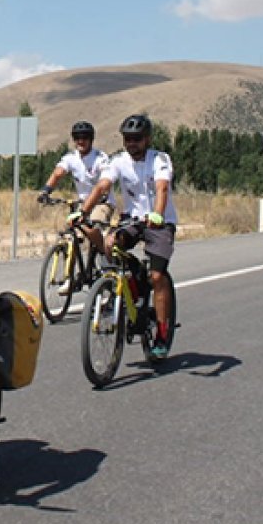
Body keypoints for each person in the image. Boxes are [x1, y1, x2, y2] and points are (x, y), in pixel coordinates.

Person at [79, 114, 178, 360]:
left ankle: (163, 334)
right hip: (132, 219)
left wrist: (157, 214)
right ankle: (130, 288)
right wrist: (82, 213)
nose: (131, 143)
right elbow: (102, 186)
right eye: (127, 139)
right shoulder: (119, 161)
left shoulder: (159, 159)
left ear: (147, 139)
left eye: (136, 139)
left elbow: (162, 187)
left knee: (157, 276)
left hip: (159, 222)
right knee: (111, 245)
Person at [38, 121, 115, 292]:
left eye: (85, 138)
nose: (81, 141)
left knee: (91, 224)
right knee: (71, 235)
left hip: (102, 203)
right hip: (82, 202)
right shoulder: (70, 158)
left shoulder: (100, 158)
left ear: (91, 139)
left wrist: (100, 196)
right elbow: (58, 173)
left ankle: (105, 253)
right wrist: (45, 191)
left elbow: (105, 182)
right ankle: (69, 277)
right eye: (77, 138)